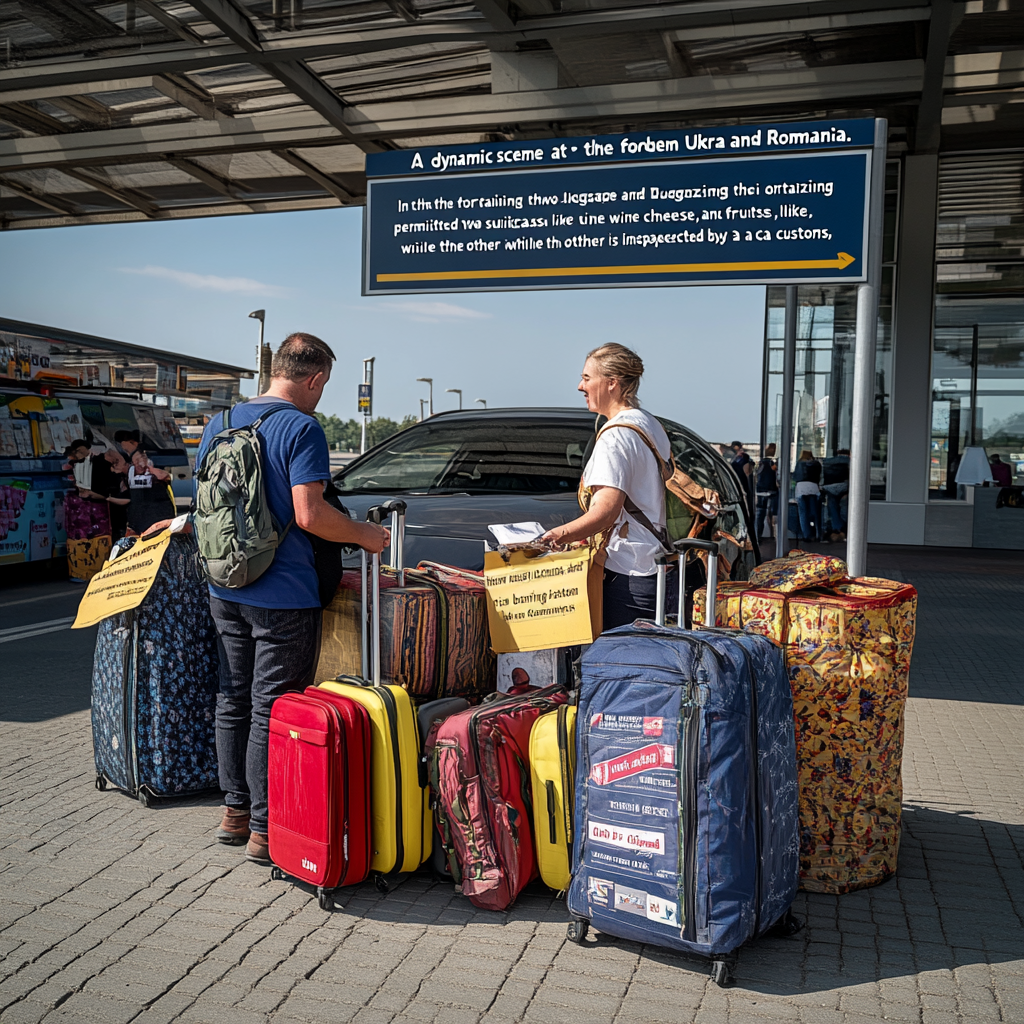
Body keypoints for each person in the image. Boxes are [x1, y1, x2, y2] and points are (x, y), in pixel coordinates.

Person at [195, 333, 389, 866]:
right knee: (271, 705)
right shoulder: (301, 427)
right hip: (282, 593)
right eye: (323, 386)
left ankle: (233, 811)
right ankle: (263, 828)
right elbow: (311, 516)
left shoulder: (222, 421)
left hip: (224, 583)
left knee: (231, 696)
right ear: (315, 379)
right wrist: (363, 536)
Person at [538, 343, 674, 631]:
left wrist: (556, 536)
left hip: (628, 574)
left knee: (623, 666)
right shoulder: (648, 424)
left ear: (612, 383)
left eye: (587, 378)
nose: (580, 386)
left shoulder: (615, 437)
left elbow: (606, 510)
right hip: (657, 567)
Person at [126, 448, 176, 536]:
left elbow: (165, 476)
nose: (137, 464)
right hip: (140, 525)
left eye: (138, 460)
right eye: (134, 462)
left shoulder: (155, 475)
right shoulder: (131, 478)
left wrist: (148, 468)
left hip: (159, 522)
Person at [821, 448, 851, 541]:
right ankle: (845, 529)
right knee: (845, 507)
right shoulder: (850, 461)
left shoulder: (827, 461)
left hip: (829, 487)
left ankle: (837, 528)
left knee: (833, 506)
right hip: (844, 486)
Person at [793, 449, 822, 542]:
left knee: (803, 513)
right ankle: (817, 534)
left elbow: (795, 477)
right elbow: (819, 476)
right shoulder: (816, 464)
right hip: (813, 487)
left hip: (801, 488)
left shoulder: (799, 463)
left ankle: (806, 535)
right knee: (815, 513)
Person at [754, 443, 778, 541]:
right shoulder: (771, 463)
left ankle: (758, 535)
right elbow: (775, 472)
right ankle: (772, 534)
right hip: (770, 490)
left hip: (760, 490)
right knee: (772, 514)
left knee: (760, 514)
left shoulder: (761, 463)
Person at [729, 441, 754, 518]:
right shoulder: (735, 458)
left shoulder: (743, 457)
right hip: (737, 484)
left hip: (742, 484)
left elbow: (748, 471)